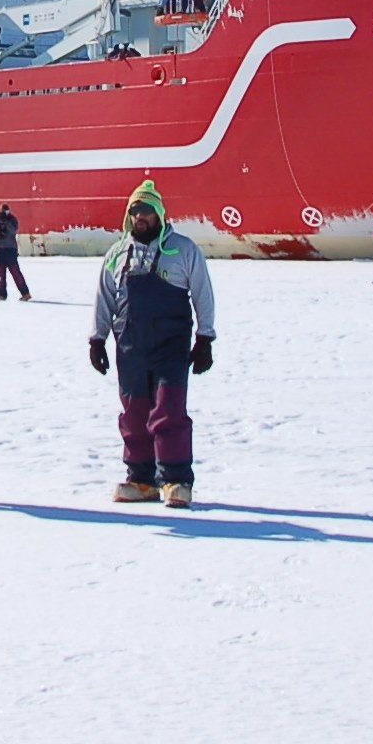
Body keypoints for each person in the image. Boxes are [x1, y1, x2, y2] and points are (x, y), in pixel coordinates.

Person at [88, 180, 217, 508]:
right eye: (134, 211)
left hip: (170, 345)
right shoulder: (117, 253)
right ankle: (141, 479)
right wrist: (97, 339)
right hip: (130, 346)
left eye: (146, 211)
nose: (139, 217)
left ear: (159, 213)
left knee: (168, 409)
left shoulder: (184, 250)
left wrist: (205, 338)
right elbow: (104, 297)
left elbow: (203, 293)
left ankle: (176, 479)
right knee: (134, 413)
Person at [0, 202, 31, 301]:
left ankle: (25, 293)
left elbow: (13, 230)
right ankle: (2, 295)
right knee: (0, 275)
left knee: (16, 273)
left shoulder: (12, 220)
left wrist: (5, 224)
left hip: (10, 249)